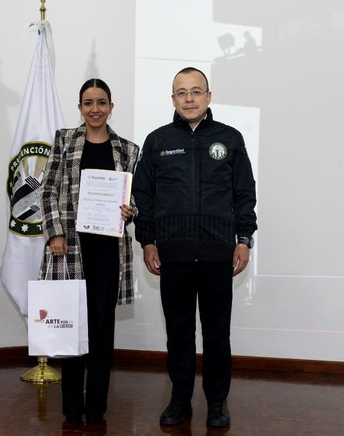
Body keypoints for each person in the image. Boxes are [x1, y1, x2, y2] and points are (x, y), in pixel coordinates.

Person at [131, 67, 257, 428]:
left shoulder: (230, 139)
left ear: (208, 97)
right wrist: (148, 241)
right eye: (182, 92)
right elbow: (144, 197)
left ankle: (217, 402)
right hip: (173, 255)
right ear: (172, 99)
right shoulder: (157, 142)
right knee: (179, 334)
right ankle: (179, 400)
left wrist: (244, 240)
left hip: (219, 253)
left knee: (217, 333)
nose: (189, 98)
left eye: (196, 91)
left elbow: (244, 194)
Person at [38, 78, 139, 425]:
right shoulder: (64, 141)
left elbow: (134, 198)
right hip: (70, 252)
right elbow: (47, 192)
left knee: (101, 329)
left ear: (112, 106)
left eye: (101, 102)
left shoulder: (127, 149)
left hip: (109, 254)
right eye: (87, 102)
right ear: (79, 107)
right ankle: (71, 409)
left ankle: (96, 408)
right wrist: (55, 233)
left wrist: (130, 211)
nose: (95, 109)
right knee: (71, 330)